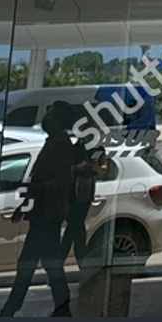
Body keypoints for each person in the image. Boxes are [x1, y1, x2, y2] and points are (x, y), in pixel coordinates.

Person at [0, 101, 75, 317]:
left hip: (48, 215)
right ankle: (62, 308)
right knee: (49, 266)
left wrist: (32, 192)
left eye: (52, 114)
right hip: (43, 213)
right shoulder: (53, 142)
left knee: (29, 264)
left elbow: (58, 181)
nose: (47, 118)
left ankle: (10, 309)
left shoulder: (60, 145)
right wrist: (25, 205)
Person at [62, 104, 107, 270]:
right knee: (76, 227)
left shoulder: (99, 149)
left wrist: (92, 167)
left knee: (76, 226)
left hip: (86, 191)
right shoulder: (77, 148)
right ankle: (80, 260)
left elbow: (103, 169)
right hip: (74, 191)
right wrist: (79, 167)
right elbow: (67, 167)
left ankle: (66, 260)